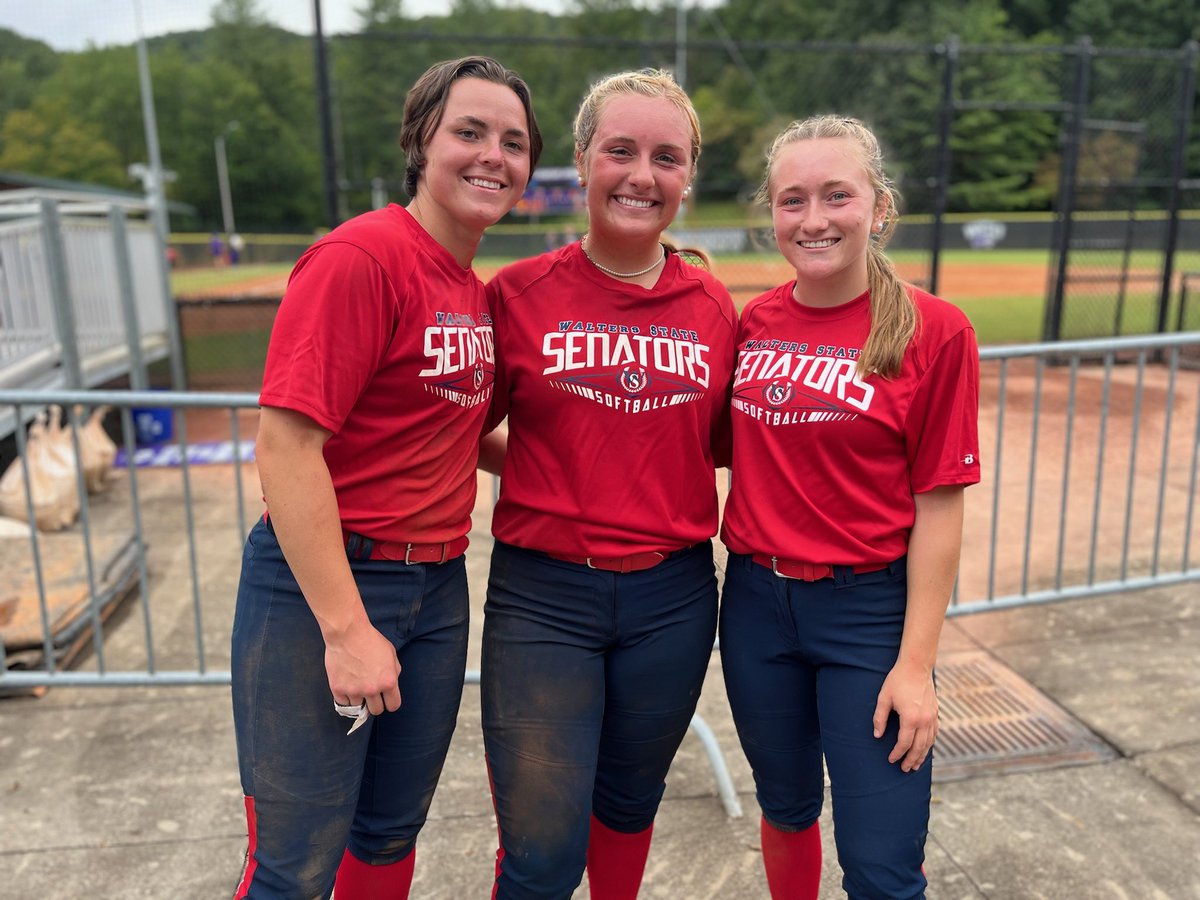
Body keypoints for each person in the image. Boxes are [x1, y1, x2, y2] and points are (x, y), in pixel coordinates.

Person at [229, 56, 541, 900]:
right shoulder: (362, 256)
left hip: (435, 588)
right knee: (294, 863)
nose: (494, 155)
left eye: (514, 142)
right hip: (331, 585)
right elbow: (286, 446)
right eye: (469, 132)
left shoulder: (470, 290)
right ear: (420, 142)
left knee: (389, 833)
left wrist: (593, 469)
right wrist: (344, 629)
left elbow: (454, 431)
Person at [480, 69, 737, 899]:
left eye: (667, 157)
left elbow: (725, 444)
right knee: (542, 849)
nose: (642, 175)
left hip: (672, 599)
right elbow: (458, 424)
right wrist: (550, 472)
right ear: (584, 159)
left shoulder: (714, 307)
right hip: (544, 600)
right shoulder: (517, 293)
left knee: (628, 806)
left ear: (687, 176)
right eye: (620, 151)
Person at [719, 114, 981, 899]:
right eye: (792, 200)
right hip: (756, 607)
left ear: (879, 206)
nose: (814, 219)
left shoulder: (935, 331)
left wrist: (916, 666)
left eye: (837, 195)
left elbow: (940, 507)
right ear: (772, 214)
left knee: (880, 864)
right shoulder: (755, 323)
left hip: (867, 615)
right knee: (786, 806)